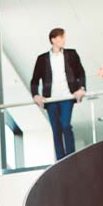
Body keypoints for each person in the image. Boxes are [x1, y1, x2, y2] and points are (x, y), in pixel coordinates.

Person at [29, 27, 87, 160]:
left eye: (64, 37)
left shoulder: (71, 54)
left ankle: (71, 156)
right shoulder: (42, 59)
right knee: (56, 130)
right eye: (61, 37)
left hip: (67, 96)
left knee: (66, 125)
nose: (64, 40)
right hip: (50, 100)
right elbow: (34, 80)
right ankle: (60, 160)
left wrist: (82, 88)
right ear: (53, 40)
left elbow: (80, 73)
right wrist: (35, 95)